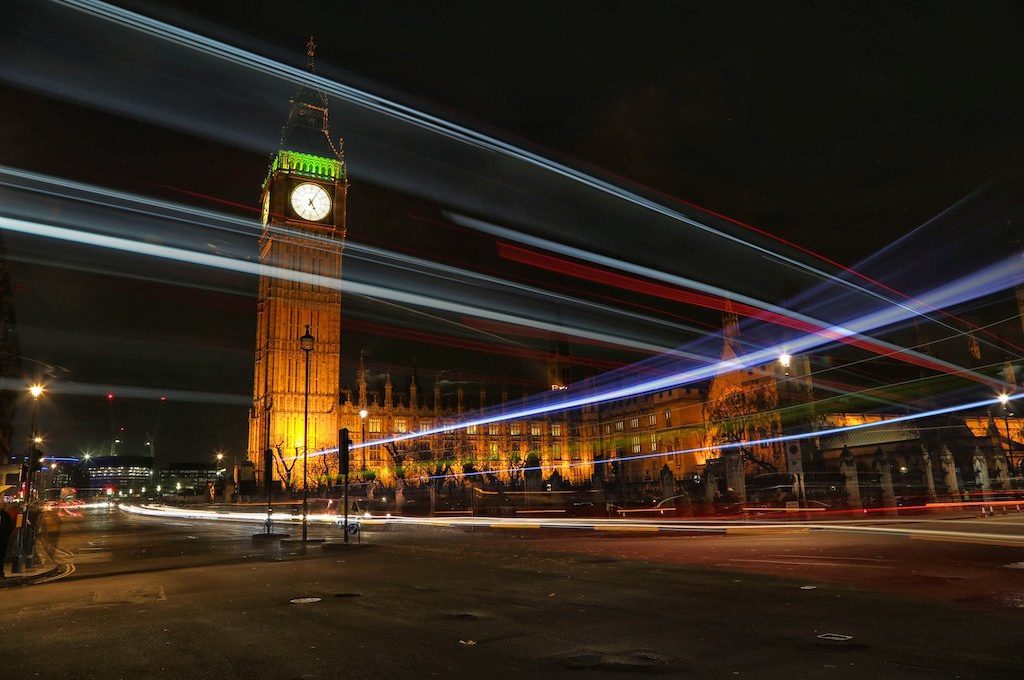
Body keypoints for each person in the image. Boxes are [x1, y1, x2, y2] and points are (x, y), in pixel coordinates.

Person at [0, 502, 16, 579]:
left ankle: (1, 574)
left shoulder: (5, 515)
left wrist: (5, 536)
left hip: (2, 540)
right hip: (3, 540)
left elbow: (10, 527)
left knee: (1, 557)